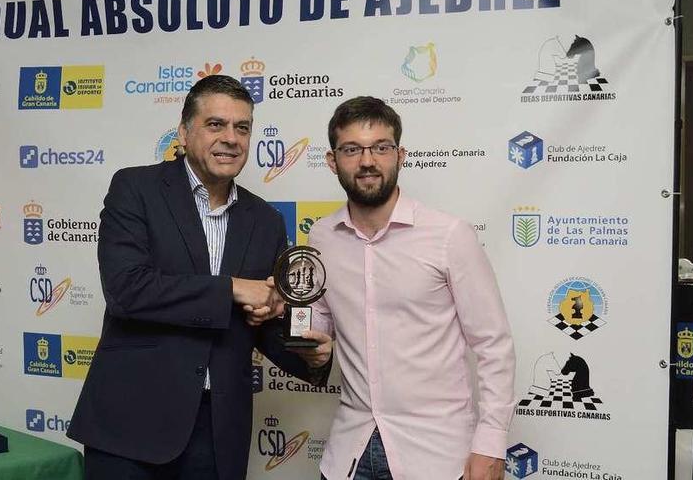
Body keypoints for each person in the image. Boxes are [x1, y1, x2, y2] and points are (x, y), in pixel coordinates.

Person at [67, 75, 331, 480]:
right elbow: (126, 289)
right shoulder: (135, 188)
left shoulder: (265, 220)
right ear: (184, 133)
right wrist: (231, 288)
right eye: (215, 124)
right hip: (130, 426)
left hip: (217, 430)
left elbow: (256, 322)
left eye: (242, 127)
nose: (231, 138)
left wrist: (308, 355)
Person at [303, 96, 515, 480]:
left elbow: (493, 345)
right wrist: (303, 334)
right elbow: (320, 322)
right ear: (332, 161)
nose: (367, 161)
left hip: (435, 457)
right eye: (351, 149)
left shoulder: (450, 235)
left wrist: (490, 443)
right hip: (348, 454)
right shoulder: (321, 237)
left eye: (381, 148)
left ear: (400, 155)